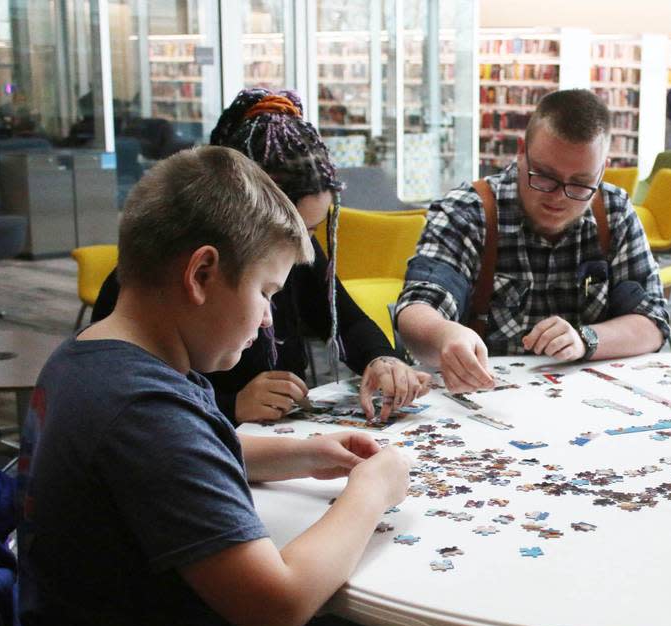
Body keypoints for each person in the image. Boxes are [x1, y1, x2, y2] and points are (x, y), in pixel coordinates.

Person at [11, 146, 464, 626]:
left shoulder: (90, 360)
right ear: (201, 274)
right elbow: (276, 604)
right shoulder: (145, 412)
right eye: (267, 293)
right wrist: (371, 491)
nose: (270, 323)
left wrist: (303, 453)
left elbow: (175, 457)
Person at [94, 89, 430, 425]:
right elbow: (150, 410)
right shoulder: (143, 289)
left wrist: (381, 358)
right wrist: (230, 405)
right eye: (298, 230)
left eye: (313, 230)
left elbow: (346, 320)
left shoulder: (297, 254)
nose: (306, 249)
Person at [396, 88, 670, 394]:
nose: (558, 197)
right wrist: (444, 334)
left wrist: (585, 339)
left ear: (602, 169)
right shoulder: (468, 210)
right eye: (545, 176)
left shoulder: (613, 210)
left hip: (588, 404)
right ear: (522, 150)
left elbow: (653, 321)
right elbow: (416, 308)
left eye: (580, 183)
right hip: (483, 401)